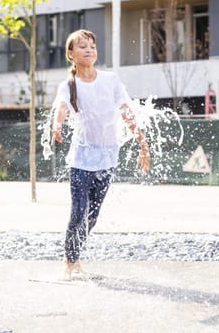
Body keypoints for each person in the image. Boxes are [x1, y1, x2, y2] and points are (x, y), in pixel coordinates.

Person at [51, 29, 150, 280]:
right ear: (71, 54)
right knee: (78, 210)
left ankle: (76, 254)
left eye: (92, 46)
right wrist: (57, 124)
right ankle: (69, 261)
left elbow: (127, 111)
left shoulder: (111, 80)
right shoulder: (69, 85)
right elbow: (62, 107)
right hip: (82, 158)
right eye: (82, 46)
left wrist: (142, 143)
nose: (89, 50)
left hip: (108, 156)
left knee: (93, 214)